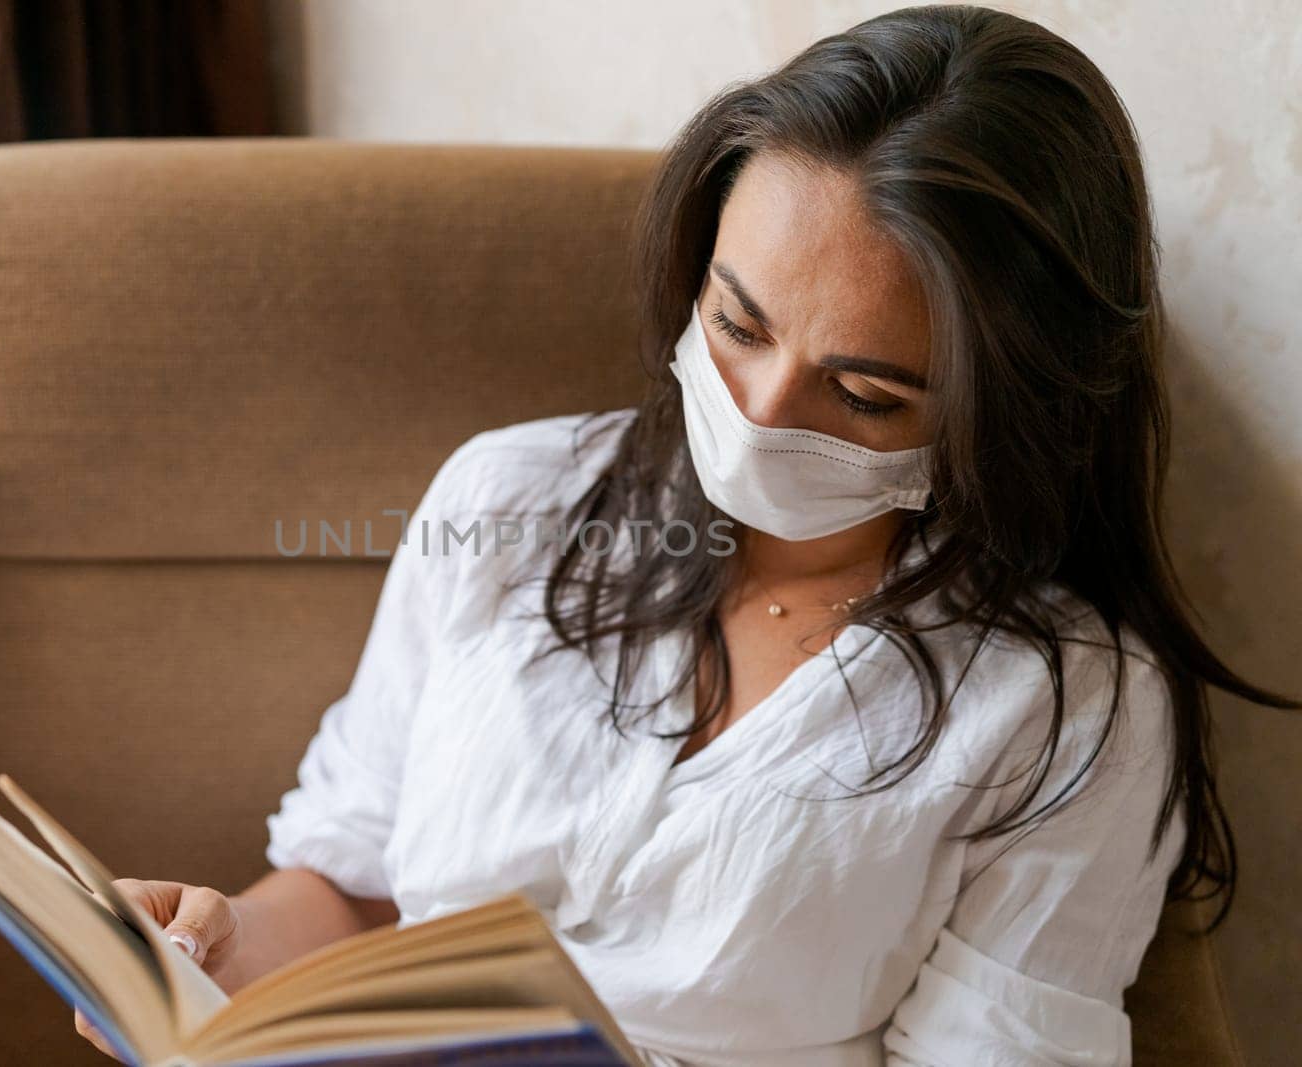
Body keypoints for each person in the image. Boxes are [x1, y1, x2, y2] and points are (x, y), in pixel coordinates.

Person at [76, 5, 1296, 1065]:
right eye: (736, 322)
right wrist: (208, 949)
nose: (761, 415)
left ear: (995, 409)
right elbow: (347, 886)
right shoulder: (511, 498)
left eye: (863, 393)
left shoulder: (1066, 704)